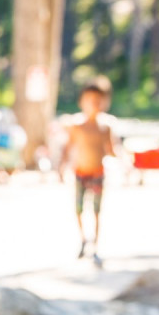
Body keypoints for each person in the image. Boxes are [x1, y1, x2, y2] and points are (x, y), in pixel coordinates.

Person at [60, 76, 116, 267]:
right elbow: (68, 147)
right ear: (82, 101)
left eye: (97, 101)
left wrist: (124, 162)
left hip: (98, 172)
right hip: (80, 173)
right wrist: (61, 165)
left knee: (97, 211)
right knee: (79, 209)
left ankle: (96, 247)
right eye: (90, 100)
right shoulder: (76, 125)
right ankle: (84, 240)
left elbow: (111, 150)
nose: (94, 104)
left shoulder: (105, 127)